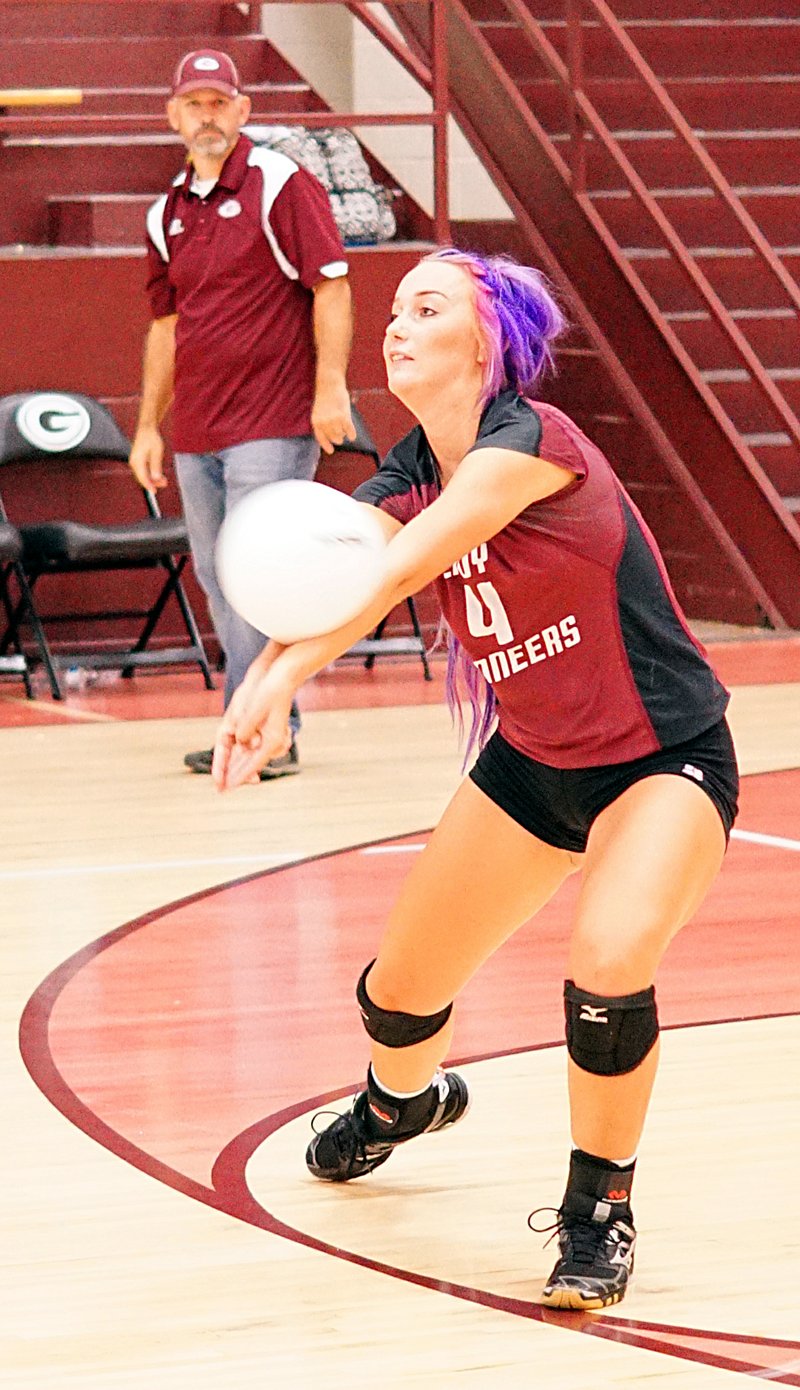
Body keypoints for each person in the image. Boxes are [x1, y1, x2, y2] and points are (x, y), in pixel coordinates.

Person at [211, 248, 739, 1309]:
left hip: (660, 760)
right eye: (393, 310)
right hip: (531, 765)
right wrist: (270, 671)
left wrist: (277, 674)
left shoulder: (529, 446)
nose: (395, 324)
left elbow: (398, 566)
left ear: (487, 339)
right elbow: (344, 575)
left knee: (606, 965)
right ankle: (399, 1103)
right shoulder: (404, 471)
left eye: (426, 306)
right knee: (397, 994)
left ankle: (597, 1211)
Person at [129, 48, 355, 778]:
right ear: (173, 117)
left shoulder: (281, 184)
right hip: (197, 427)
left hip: (272, 418)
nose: (208, 116)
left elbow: (333, 287)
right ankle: (256, 720)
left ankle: (264, 730)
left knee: (263, 575)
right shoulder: (165, 212)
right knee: (219, 576)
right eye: (194, 104)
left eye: (220, 102)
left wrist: (331, 388)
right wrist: (145, 425)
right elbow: (165, 327)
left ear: (243, 111)